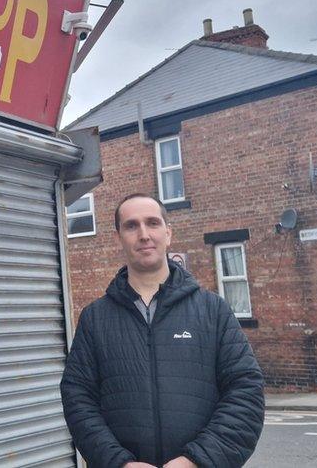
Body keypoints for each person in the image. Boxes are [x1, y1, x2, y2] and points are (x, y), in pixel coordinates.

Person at [60, 194, 264, 468]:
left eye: (153, 223)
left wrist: (196, 460)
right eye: (132, 226)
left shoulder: (213, 311)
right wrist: (119, 463)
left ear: (168, 233)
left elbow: (245, 393)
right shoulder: (96, 319)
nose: (144, 234)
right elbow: (78, 400)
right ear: (118, 237)